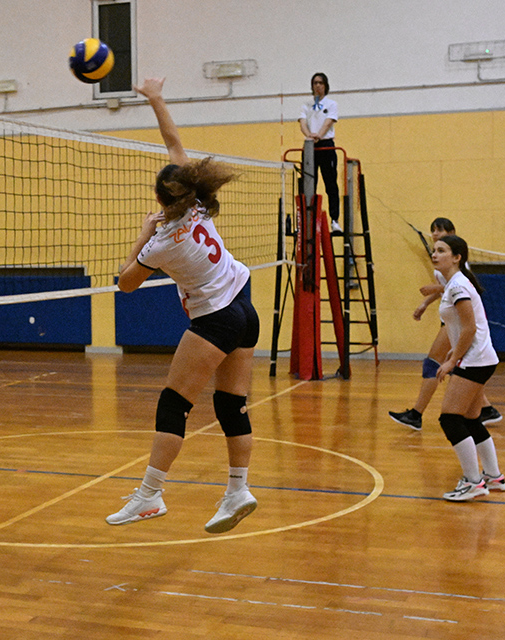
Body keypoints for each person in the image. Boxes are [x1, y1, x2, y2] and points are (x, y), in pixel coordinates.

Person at [105, 78, 260, 534]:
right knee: (231, 404)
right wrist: (156, 98)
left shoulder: (162, 243)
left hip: (216, 318)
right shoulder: (200, 206)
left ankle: (150, 495)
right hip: (245, 306)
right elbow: (174, 144)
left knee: (174, 404)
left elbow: (126, 284)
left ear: (159, 201)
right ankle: (238, 490)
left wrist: (143, 232)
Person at [389, 218, 501, 430]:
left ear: (452, 233)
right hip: (453, 322)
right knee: (464, 370)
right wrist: (425, 303)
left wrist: (434, 289)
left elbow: (458, 288)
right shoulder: (442, 266)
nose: (435, 234)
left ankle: (416, 414)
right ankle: (486, 409)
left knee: (435, 363)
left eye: (440, 230)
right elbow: (448, 287)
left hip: (459, 322)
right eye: (433, 231)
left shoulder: (456, 267)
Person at [429, 234, 505, 501]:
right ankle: (493, 476)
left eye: (441, 250)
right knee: (471, 419)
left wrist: (452, 360)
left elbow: (470, 327)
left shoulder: (458, 286)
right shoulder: (454, 284)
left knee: (450, 419)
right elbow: (464, 327)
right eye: (434, 250)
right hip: (479, 358)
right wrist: (455, 350)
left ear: (457, 257)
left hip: (474, 360)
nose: (435, 254)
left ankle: (473, 482)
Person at [298, 72, 341, 233]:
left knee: (331, 184)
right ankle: (308, 221)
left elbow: (328, 122)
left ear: (325, 86)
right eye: (315, 83)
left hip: (326, 145)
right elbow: (302, 122)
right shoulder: (306, 105)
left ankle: (334, 220)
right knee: (309, 185)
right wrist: (309, 135)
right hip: (310, 146)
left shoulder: (331, 104)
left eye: (320, 83)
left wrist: (319, 136)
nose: (317, 86)